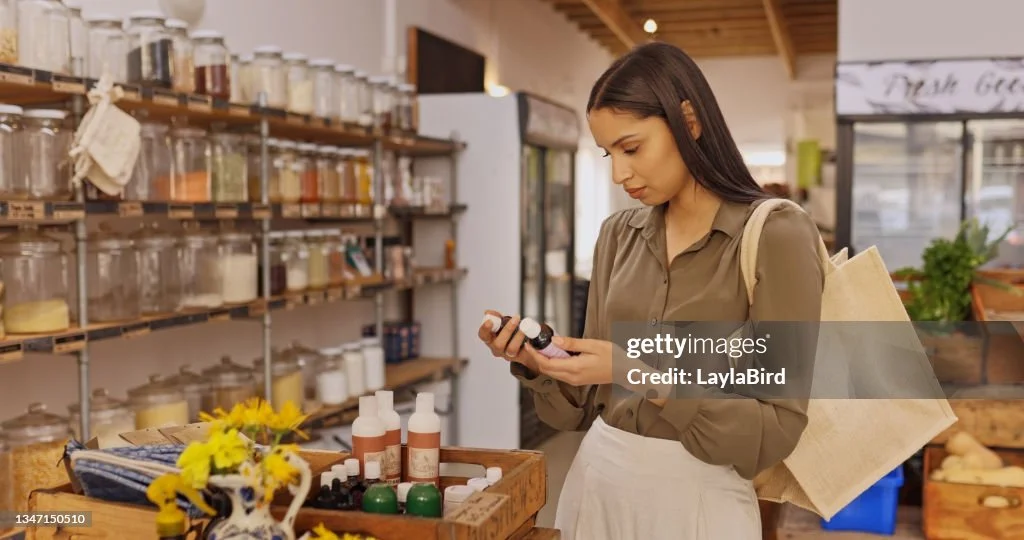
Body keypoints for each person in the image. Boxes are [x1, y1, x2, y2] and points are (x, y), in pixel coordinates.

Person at [478, 42, 824, 539]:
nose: (619, 174)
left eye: (632, 148)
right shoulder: (617, 234)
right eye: (608, 153)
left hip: (701, 503)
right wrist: (541, 364)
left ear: (689, 120)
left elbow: (775, 432)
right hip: (597, 485)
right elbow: (579, 408)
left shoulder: (776, 235)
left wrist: (634, 370)